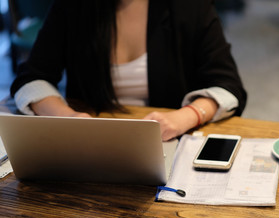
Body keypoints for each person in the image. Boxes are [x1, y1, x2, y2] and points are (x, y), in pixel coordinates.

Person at [10, 0, 247, 141]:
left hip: (169, 142)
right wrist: (68, 117)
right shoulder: (74, 6)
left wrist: (186, 116)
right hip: (91, 144)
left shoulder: (189, 6)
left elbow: (229, 87)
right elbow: (31, 78)